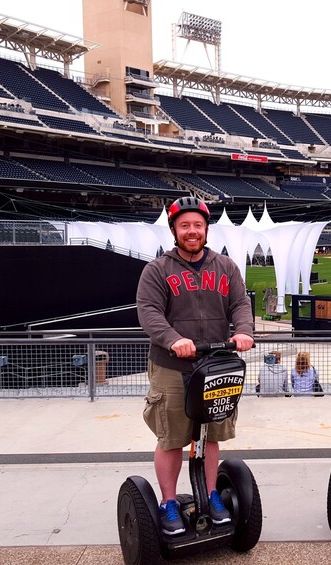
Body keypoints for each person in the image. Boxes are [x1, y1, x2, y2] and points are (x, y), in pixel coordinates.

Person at [136, 196, 255, 536]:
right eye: (185, 225)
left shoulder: (225, 266)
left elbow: (240, 305)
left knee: (211, 433)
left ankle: (212, 494)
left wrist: (244, 331)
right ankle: (169, 501)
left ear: (206, 229)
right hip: (172, 366)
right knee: (172, 437)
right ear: (174, 229)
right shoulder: (157, 270)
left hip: (216, 364)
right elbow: (149, 312)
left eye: (197, 225)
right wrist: (173, 339)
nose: (192, 231)